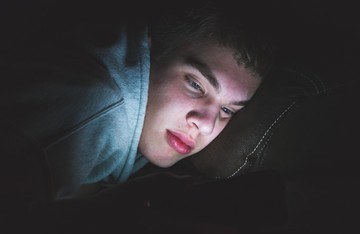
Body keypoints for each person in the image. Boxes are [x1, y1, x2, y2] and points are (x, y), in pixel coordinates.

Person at [0, 1, 275, 203]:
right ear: (151, 50)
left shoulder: (147, 116)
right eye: (195, 84)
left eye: (227, 110)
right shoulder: (94, 105)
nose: (205, 125)